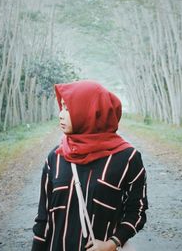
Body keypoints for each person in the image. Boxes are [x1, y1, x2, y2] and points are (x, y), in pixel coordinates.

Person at [31, 80, 148, 251]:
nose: (61, 114)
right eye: (62, 107)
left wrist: (112, 243)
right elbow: (43, 219)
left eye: (68, 108)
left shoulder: (128, 158)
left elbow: (137, 211)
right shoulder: (55, 158)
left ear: (90, 112)